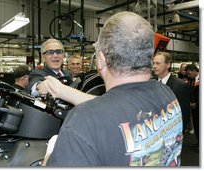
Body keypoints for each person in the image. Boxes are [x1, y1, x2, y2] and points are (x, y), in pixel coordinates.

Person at [42, 11, 183, 166]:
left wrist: (51, 152)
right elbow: (117, 108)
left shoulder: (84, 121)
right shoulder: (166, 93)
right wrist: (64, 91)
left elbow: (107, 110)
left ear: (101, 59)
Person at [153, 52, 191, 134]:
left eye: (158, 63)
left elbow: (184, 113)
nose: (154, 66)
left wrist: (178, 134)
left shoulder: (181, 86)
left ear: (168, 65)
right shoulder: (151, 85)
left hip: (171, 133)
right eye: (154, 63)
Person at [185, 63, 199, 152]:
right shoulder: (192, 80)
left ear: (193, 71)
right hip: (194, 108)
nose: (188, 76)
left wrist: (197, 104)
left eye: (189, 73)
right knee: (197, 126)